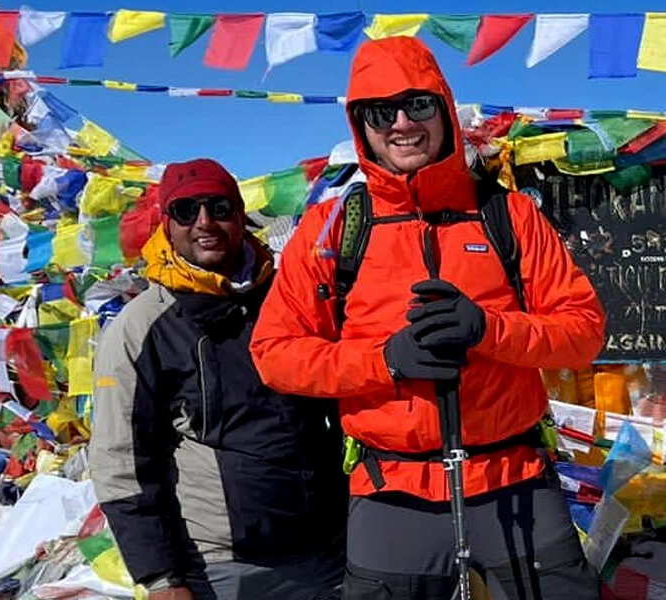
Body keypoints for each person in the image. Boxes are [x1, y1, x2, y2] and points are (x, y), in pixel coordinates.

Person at [249, 36, 606, 600]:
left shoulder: (507, 215)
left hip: (514, 481)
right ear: (360, 125)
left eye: (417, 104)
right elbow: (275, 355)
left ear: (442, 107)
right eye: (379, 111)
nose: (401, 123)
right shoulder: (333, 230)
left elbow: (583, 332)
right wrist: (384, 360)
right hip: (392, 491)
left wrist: (490, 330)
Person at [89, 158, 347, 600]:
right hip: (223, 566)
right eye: (187, 211)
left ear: (240, 215)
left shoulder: (287, 301)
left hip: (325, 553)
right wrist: (160, 578)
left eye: (219, 207)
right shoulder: (142, 328)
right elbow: (121, 463)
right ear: (166, 224)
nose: (205, 222)